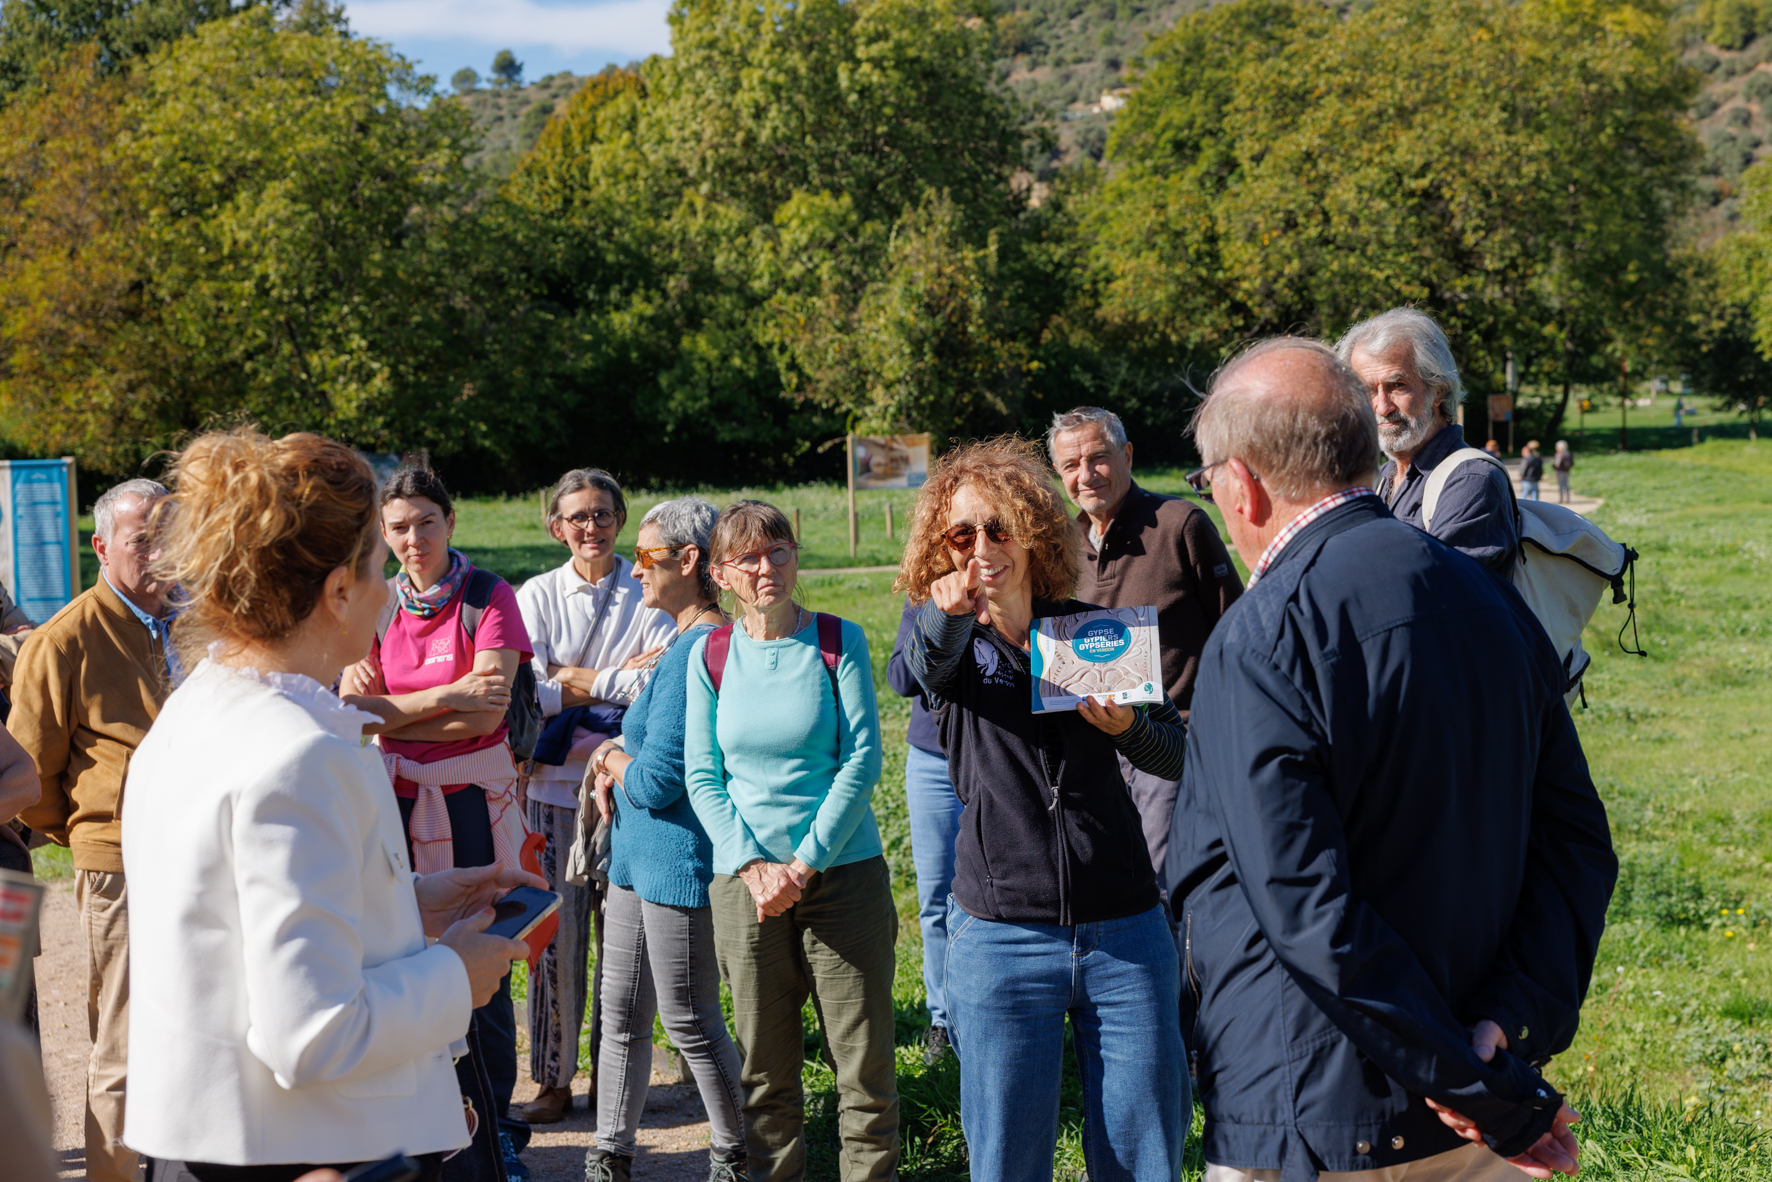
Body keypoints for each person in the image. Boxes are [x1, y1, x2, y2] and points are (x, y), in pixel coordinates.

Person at [1173, 339, 1616, 1182]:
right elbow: (1578, 844)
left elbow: (1307, 907)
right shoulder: (1490, 597)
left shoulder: (1264, 634)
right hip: (1466, 1100)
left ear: (1244, 482)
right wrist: (1503, 1030)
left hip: (1314, 1112)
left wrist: (1472, 1074)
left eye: (1207, 483)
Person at [120, 428, 541, 1182]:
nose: (386, 592)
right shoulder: (299, 753)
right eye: (377, 567)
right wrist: (455, 975)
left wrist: (411, 902)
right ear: (337, 592)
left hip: (214, 1141)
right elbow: (311, 1033)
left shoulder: (194, 715)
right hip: (302, 1155)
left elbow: (239, 920)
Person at [898, 438, 1189, 1182]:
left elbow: (1176, 756)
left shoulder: (1087, 631)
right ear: (940, 545)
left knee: (1142, 1155)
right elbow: (920, 669)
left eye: (999, 529)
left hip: (1125, 925)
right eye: (962, 535)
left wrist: (1128, 729)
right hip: (1001, 932)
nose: (983, 549)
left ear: (1033, 531)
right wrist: (953, 608)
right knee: (1006, 1158)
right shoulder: (947, 640)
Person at [683, 500, 898, 1182]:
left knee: (863, 1067)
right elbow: (701, 775)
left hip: (842, 877)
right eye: (748, 557)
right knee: (764, 1073)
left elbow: (863, 759)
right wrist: (752, 864)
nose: (767, 567)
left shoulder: (839, 640)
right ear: (720, 574)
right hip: (745, 886)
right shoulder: (709, 656)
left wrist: (802, 865)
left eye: (779, 551)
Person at [339, 466, 536, 1181]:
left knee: (484, 958)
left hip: (471, 801)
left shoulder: (490, 595)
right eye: (398, 527)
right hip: (396, 795)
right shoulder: (378, 602)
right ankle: (429, 1130)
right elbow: (358, 710)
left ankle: (500, 1133)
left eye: (426, 522)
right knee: (400, 949)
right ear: (382, 536)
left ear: (450, 523)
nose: (413, 539)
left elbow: (489, 712)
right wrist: (448, 692)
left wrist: (398, 706)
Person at [580, 498, 746, 1182]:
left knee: (690, 1021)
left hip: (677, 862)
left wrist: (603, 758)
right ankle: (608, 1152)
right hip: (635, 861)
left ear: (689, 562)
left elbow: (655, 782)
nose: (635, 571)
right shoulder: (679, 644)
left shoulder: (702, 649)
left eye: (647, 558)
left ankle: (737, 1151)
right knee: (619, 1013)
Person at [13, 476, 170, 1182]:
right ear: (102, 547)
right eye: (144, 541)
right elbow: (28, 777)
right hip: (121, 863)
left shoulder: (207, 623)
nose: (162, 554)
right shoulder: (64, 639)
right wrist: (92, 832)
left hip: (212, 855)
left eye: (172, 537)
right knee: (125, 1039)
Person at [514, 469, 673, 1125]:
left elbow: (656, 687)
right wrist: (610, 683)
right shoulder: (536, 595)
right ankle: (552, 1077)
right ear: (557, 526)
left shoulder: (647, 591)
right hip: (552, 794)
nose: (591, 527)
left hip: (626, 791)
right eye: (577, 516)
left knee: (624, 944)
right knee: (555, 941)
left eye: (603, 515)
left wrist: (574, 682)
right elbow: (533, 692)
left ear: (620, 522)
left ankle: (615, 1082)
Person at [1046, 406, 1242, 917]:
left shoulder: (1180, 523)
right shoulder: (1058, 548)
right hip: (1094, 749)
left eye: (1098, 458)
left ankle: (1178, 994)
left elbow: (1236, 628)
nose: (1085, 476)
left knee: (1159, 887)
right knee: (1108, 879)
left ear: (1127, 454)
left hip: (1171, 742)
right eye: (1070, 466)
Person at [1336, 308, 1519, 575]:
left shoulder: (1472, 480)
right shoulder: (1382, 477)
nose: (1382, 406)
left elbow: (1433, 598)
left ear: (1438, 390)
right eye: (1367, 389)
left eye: (1397, 385)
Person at [885, 602, 961, 1063]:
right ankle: (943, 1019)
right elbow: (901, 679)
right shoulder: (924, 601)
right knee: (936, 897)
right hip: (934, 761)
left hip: (1004, 752)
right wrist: (943, 613)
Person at [1553, 440, 1574, 505]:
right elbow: (1572, 463)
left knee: (1561, 485)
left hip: (1560, 471)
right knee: (1566, 484)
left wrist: (1554, 468)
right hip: (1566, 471)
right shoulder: (1568, 453)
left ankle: (1561, 499)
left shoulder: (1559, 454)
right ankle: (1568, 498)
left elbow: (1557, 464)